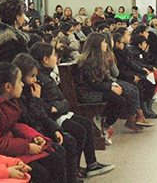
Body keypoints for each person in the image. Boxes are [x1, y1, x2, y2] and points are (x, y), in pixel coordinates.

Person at [29, 43, 114, 178]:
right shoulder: (38, 79)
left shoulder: (48, 76)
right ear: (45, 59)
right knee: (78, 131)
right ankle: (73, 170)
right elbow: (42, 105)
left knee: (86, 123)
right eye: (53, 55)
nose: (56, 57)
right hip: (52, 118)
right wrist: (55, 107)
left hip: (60, 112)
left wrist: (58, 106)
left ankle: (91, 164)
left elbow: (63, 101)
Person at [0, 62, 66, 183]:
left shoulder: (8, 101)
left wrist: (34, 136)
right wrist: (26, 147)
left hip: (12, 147)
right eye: (19, 81)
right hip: (2, 154)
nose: (22, 84)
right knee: (41, 172)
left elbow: (14, 125)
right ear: (8, 87)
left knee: (56, 154)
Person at [12, 54, 81, 183]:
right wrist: (36, 99)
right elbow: (28, 120)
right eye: (31, 76)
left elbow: (43, 115)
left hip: (41, 131)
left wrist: (55, 129)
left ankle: (72, 178)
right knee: (56, 154)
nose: (35, 80)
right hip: (33, 135)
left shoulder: (32, 90)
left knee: (69, 141)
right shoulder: (19, 98)